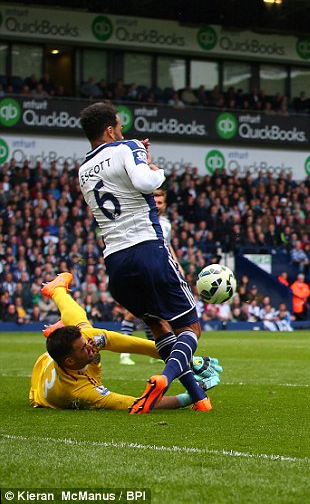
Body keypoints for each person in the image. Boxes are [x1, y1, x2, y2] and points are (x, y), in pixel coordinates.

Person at [78, 100, 210, 414]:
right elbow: (144, 181)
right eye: (120, 127)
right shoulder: (127, 147)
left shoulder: (82, 170)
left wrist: (133, 153)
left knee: (157, 327)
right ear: (110, 129)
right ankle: (164, 378)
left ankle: (200, 399)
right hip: (147, 248)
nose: (123, 131)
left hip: (115, 261)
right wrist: (151, 165)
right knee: (190, 329)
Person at [30, 273, 220, 410]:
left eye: (86, 344)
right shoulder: (80, 392)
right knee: (85, 330)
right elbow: (137, 402)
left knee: (85, 329)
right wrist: (188, 396)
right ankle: (59, 315)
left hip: (54, 358)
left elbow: (128, 343)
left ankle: (57, 291)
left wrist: (184, 358)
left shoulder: (84, 343)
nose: (90, 347)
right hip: (41, 387)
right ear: (70, 361)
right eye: (83, 349)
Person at [119, 187, 174, 365]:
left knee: (155, 314)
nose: (157, 205)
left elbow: (167, 246)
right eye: (155, 201)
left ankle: (155, 351)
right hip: (140, 268)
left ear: (165, 205)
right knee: (131, 312)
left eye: (160, 202)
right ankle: (124, 354)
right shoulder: (141, 219)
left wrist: (176, 264)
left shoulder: (166, 225)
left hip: (158, 270)